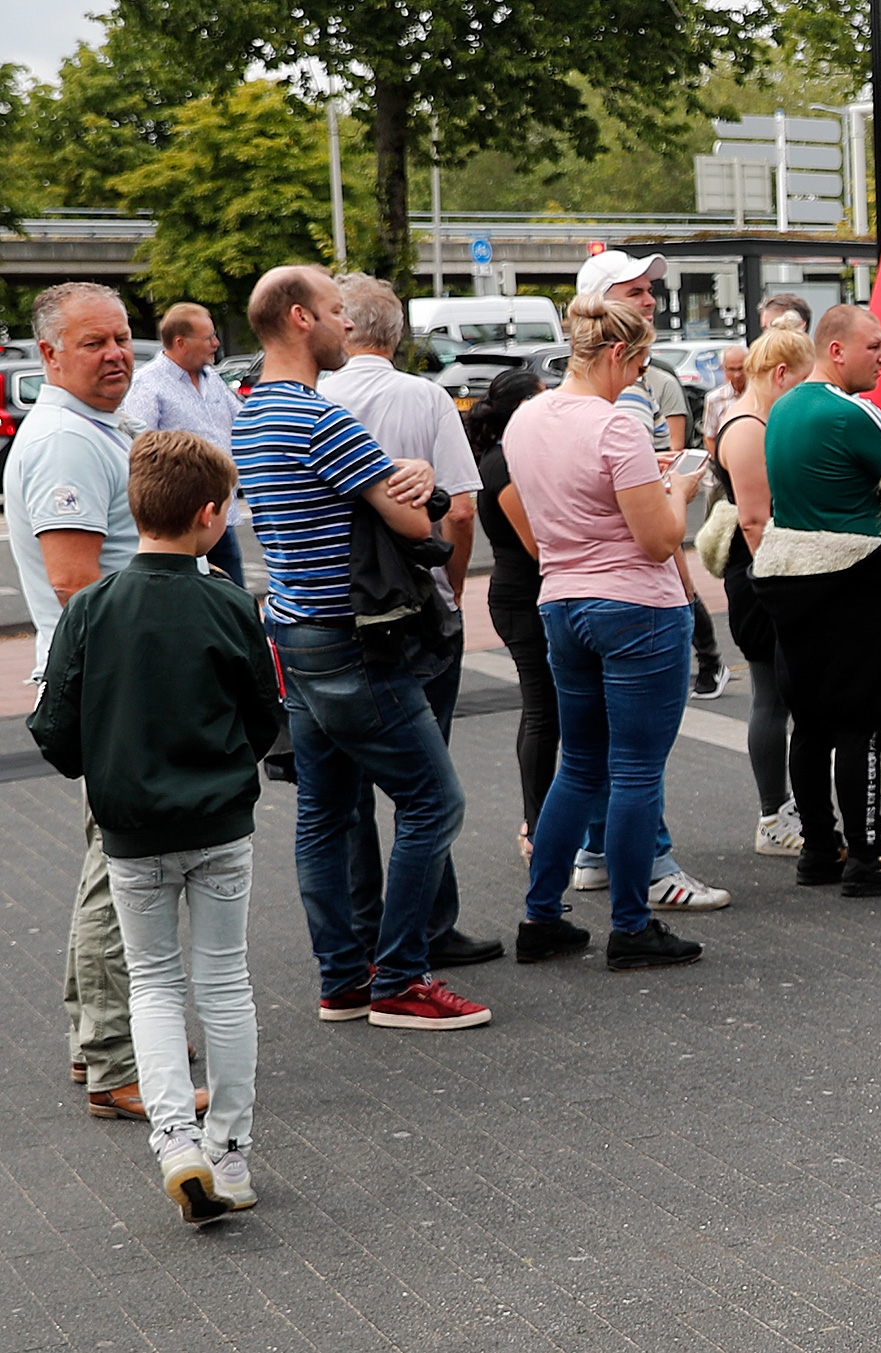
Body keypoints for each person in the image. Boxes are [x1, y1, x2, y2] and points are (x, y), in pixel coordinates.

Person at [29, 429, 281, 1224]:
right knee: (225, 981)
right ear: (209, 514)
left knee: (154, 983)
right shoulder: (232, 603)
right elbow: (265, 716)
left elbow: (55, 726)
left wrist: (103, 771)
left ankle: (175, 1137)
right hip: (219, 821)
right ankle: (230, 1148)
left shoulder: (94, 606)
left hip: (132, 830)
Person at [234, 264, 488, 1031]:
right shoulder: (322, 421)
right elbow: (417, 524)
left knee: (325, 810)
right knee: (433, 801)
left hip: (295, 631)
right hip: (355, 641)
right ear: (302, 318)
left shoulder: (252, 414)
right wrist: (416, 477)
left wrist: (394, 479)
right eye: (338, 312)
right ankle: (404, 977)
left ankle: (343, 976)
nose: (349, 325)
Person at [502, 293, 718, 971]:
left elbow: (546, 506)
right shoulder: (617, 427)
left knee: (580, 763)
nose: (639, 378)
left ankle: (542, 916)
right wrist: (678, 491)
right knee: (634, 772)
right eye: (641, 363)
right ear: (619, 353)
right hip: (636, 608)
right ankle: (631, 924)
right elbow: (658, 541)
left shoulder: (525, 419)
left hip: (562, 602)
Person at [321, 272, 506, 971]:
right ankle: (429, 924)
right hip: (413, 609)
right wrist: (449, 590)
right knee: (426, 781)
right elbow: (459, 509)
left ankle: (359, 930)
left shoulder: (308, 398)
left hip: (329, 609)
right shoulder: (423, 397)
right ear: (395, 335)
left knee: (341, 793)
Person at [10, 283, 152, 1115]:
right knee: (122, 873)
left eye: (122, 336)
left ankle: (92, 1038)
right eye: (94, 342)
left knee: (110, 861)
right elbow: (75, 582)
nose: (115, 353)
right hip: (115, 684)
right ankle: (115, 1062)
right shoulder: (67, 440)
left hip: (115, 679)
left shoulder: (93, 428)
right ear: (49, 356)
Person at [757, 303, 881, 897]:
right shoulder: (851, 411)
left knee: (809, 720)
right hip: (856, 578)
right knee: (863, 718)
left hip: (790, 576)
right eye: (874, 346)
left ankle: (819, 848)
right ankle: (867, 856)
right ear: (836, 350)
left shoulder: (781, 409)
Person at [576, 250, 725, 700]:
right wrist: (675, 491)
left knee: (587, 751)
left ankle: (710, 659)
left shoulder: (551, 408)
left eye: (650, 291)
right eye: (635, 291)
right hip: (632, 592)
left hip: (578, 597)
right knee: (633, 760)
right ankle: (711, 660)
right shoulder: (617, 398)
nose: (650, 300)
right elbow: (657, 535)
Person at [714, 319, 814, 858]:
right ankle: (774, 814)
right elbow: (755, 521)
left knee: (774, 697)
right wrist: (782, 589)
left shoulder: (749, 418)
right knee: (770, 699)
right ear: (779, 375)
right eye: (799, 384)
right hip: (763, 579)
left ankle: (780, 807)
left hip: (764, 574)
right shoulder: (749, 427)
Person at [471, 369, 557, 862]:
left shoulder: (511, 457)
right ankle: (536, 824)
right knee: (543, 712)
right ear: (524, 406)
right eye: (543, 398)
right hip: (522, 598)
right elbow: (537, 545)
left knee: (546, 711)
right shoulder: (503, 465)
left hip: (526, 595)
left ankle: (540, 820)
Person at [118, 301, 246, 584]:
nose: (215, 343)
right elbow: (141, 450)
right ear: (181, 342)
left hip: (219, 513)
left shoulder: (211, 378)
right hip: (182, 521)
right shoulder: (148, 384)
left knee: (234, 597)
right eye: (209, 337)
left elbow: (241, 421)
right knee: (192, 600)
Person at [701, 343, 751, 450]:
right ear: (723, 368)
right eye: (732, 370)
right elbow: (709, 437)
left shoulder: (760, 394)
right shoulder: (714, 398)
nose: (737, 375)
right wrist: (719, 463)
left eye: (740, 369)